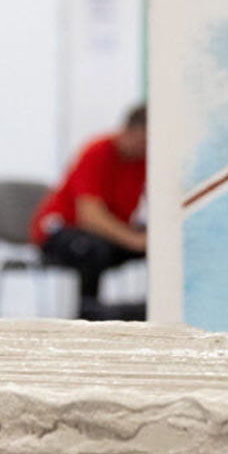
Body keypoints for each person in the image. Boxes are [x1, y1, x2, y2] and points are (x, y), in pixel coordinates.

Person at [30, 103, 148, 321]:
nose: (144, 148)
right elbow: (90, 217)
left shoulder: (144, 161)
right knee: (92, 248)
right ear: (127, 131)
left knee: (162, 244)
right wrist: (134, 240)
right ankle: (88, 316)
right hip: (61, 231)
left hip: (109, 234)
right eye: (142, 141)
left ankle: (154, 310)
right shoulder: (98, 151)